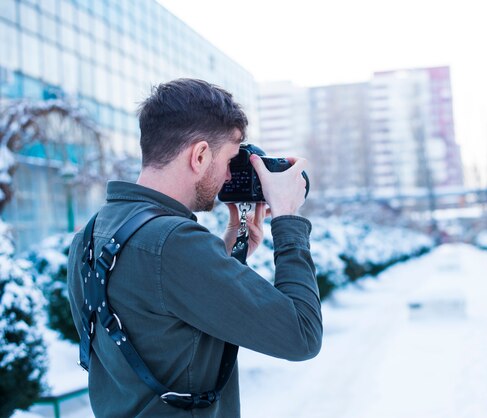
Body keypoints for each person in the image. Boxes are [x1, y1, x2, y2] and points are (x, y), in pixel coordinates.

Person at [67, 78, 323, 417]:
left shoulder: (91, 233)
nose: (231, 176)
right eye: (232, 160)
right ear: (200, 155)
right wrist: (288, 220)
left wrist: (230, 249)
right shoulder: (174, 244)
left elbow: (164, 322)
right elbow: (301, 335)